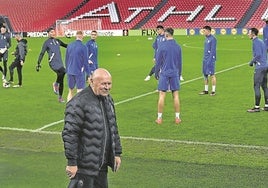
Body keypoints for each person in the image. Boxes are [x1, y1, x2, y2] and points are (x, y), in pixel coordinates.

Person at [62, 68, 122, 188]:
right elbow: (70, 134)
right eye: (103, 84)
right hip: (84, 168)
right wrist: (72, 163)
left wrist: (117, 153)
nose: (107, 87)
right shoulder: (79, 102)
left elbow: (113, 127)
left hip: (101, 165)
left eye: (109, 84)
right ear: (91, 82)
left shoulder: (108, 100)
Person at [154, 28, 182, 125]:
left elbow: (158, 62)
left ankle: (159, 118)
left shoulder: (162, 46)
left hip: (164, 73)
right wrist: (179, 74)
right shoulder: (178, 47)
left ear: (166, 34)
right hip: (174, 73)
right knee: (176, 96)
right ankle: (177, 118)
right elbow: (180, 63)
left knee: (162, 95)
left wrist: (156, 73)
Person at [36, 27, 68, 103]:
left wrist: (75, 45)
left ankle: (60, 97)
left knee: (62, 78)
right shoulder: (46, 42)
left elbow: (66, 45)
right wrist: (38, 63)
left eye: (53, 32)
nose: (53, 33)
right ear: (48, 34)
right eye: (51, 32)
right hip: (53, 62)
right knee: (63, 71)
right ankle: (56, 84)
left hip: (59, 62)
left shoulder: (57, 41)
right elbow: (42, 53)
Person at [247, 28, 268, 112]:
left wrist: (252, 62)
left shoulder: (255, 42)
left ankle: (256, 107)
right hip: (265, 65)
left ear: (253, 34)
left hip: (260, 67)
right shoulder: (261, 41)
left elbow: (258, 54)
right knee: (264, 86)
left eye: (249, 33)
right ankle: (267, 106)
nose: (248, 34)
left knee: (256, 86)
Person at [65, 31, 90, 102]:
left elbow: (66, 59)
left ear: (76, 36)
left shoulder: (70, 45)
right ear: (82, 36)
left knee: (70, 91)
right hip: (79, 72)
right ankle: (79, 110)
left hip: (70, 71)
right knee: (80, 92)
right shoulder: (84, 47)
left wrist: (67, 69)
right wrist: (89, 74)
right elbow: (86, 61)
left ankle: (68, 109)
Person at [199, 25, 217, 96]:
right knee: (205, 75)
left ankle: (213, 91)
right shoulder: (206, 39)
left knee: (212, 75)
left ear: (208, 31)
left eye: (204, 31)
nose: (203, 32)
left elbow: (213, 50)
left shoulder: (213, 39)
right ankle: (206, 90)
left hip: (210, 59)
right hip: (205, 59)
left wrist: (210, 60)